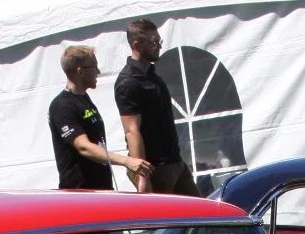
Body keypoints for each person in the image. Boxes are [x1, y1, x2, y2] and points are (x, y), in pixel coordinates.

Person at [47, 45, 151, 191]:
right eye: (94, 67)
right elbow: (84, 147)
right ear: (80, 71)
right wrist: (126, 161)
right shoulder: (62, 106)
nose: (98, 72)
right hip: (80, 192)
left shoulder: (83, 99)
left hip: (101, 188)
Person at [114, 19, 197, 195]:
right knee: (165, 213)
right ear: (136, 44)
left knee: (201, 210)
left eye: (159, 41)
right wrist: (142, 175)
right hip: (155, 168)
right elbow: (132, 131)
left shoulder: (152, 75)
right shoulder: (129, 82)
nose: (158, 46)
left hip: (174, 162)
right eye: (153, 42)